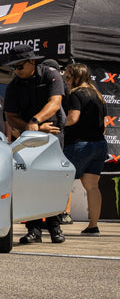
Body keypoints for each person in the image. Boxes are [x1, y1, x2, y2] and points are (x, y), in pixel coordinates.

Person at [3, 44, 66, 244]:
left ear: (32, 61)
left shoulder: (50, 74)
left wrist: (36, 121)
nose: (16, 71)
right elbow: (10, 116)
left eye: (19, 66)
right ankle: (34, 229)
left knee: (52, 179)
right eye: (13, 68)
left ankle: (55, 227)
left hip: (52, 135)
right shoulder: (14, 85)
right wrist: (31, 127)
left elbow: (55, 103)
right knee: (30, 180)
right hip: (29, 136)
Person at [62, 63, 108, 236]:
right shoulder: (98, 95)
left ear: (77, 77)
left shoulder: (76, 94)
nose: (66, 81)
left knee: (61, 182)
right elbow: (103, 126)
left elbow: (73, 118)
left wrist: (57, 123)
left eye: (67, 77)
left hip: (78, 145)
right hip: (99, 145)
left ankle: (53, 223)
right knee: (92, 186)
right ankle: (93, 226)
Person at [42, 58, 73, 224]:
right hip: (55, 134)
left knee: (58, 175)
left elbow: (65, 114)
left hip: (58, 135)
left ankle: (61, 213)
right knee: (56, 175)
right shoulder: (42, 87)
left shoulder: (61, 88)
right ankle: (57, 214)